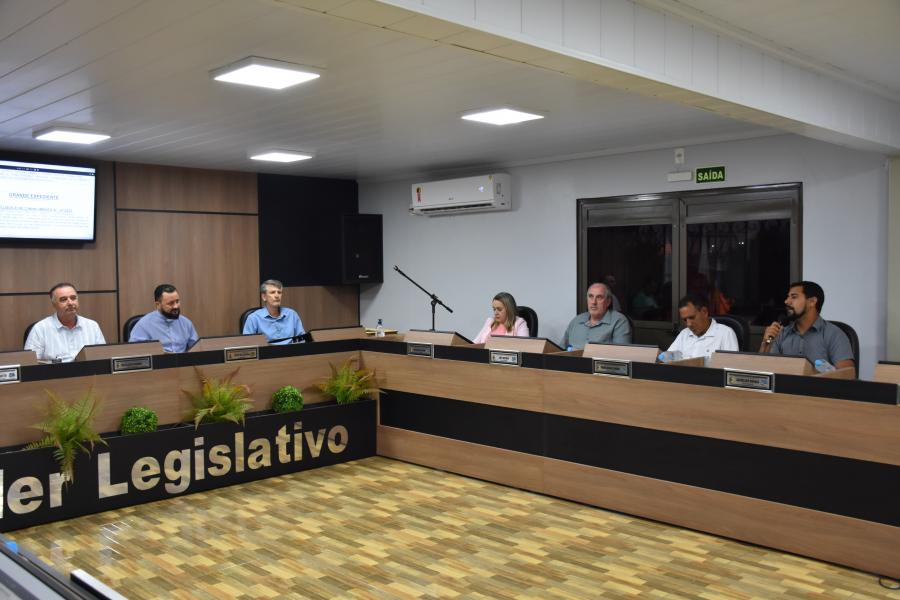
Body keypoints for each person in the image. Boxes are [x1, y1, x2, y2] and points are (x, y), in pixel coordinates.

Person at [760, 280, 854, 370]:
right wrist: (766, 343)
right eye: (788, 297)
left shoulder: (834, 334)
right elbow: (762, 370)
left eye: (794, 297)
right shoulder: (781, 333)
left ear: (812, 301)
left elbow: (847, 375)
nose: (786, 301)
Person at [25, 282, 106, 362]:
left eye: (73, 298)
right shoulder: (40, 329)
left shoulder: (92, 326)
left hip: (88, 370)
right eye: (63, 299)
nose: (70, 303)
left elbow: (103, 358)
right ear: (54, 304)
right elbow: (29, 363)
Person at [129, 284, 199, 353]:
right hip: (158, 360)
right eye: (171, 303)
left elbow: (197, 350)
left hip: (183, 360)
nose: (176, 306)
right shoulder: (143, 325)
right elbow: (135, 352)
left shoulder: (186, 323)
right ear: (158, 305)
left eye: (177, 301)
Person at [561, 282, 632, 350]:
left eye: (599, 297)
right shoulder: (577, 320)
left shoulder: (619, 321)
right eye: (590, 296)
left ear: (608, 302)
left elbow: (620, 355)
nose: (593, 302)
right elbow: (560, 349)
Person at [667, 293, 738, 360]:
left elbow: (732, 365)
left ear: (704, 312)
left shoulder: (725, 333)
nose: (689, 324)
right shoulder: (684, 333)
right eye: (685, 320)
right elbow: (667, 358)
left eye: (692, 317)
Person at [242, 279, 305, 344]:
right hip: (267, 350)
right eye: (272, 292)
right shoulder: (253, 318)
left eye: (279, 292)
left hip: (291, 350)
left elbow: (302, 340)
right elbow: (247, 344)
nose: (277, 296)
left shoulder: (292, 314)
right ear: (264, 297)